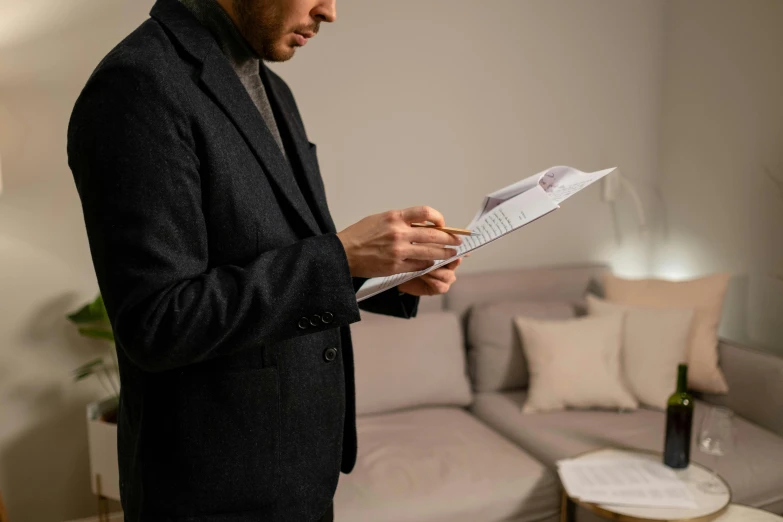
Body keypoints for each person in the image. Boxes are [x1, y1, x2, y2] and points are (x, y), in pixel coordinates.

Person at [67, 0, 464, 520]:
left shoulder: (272, 87)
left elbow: (275, 248)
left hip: (300, 478)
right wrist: (342, 260)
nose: (330, 11)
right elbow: (158, 322)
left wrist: (384, 270)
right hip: (214, 495)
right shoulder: (136, 86)